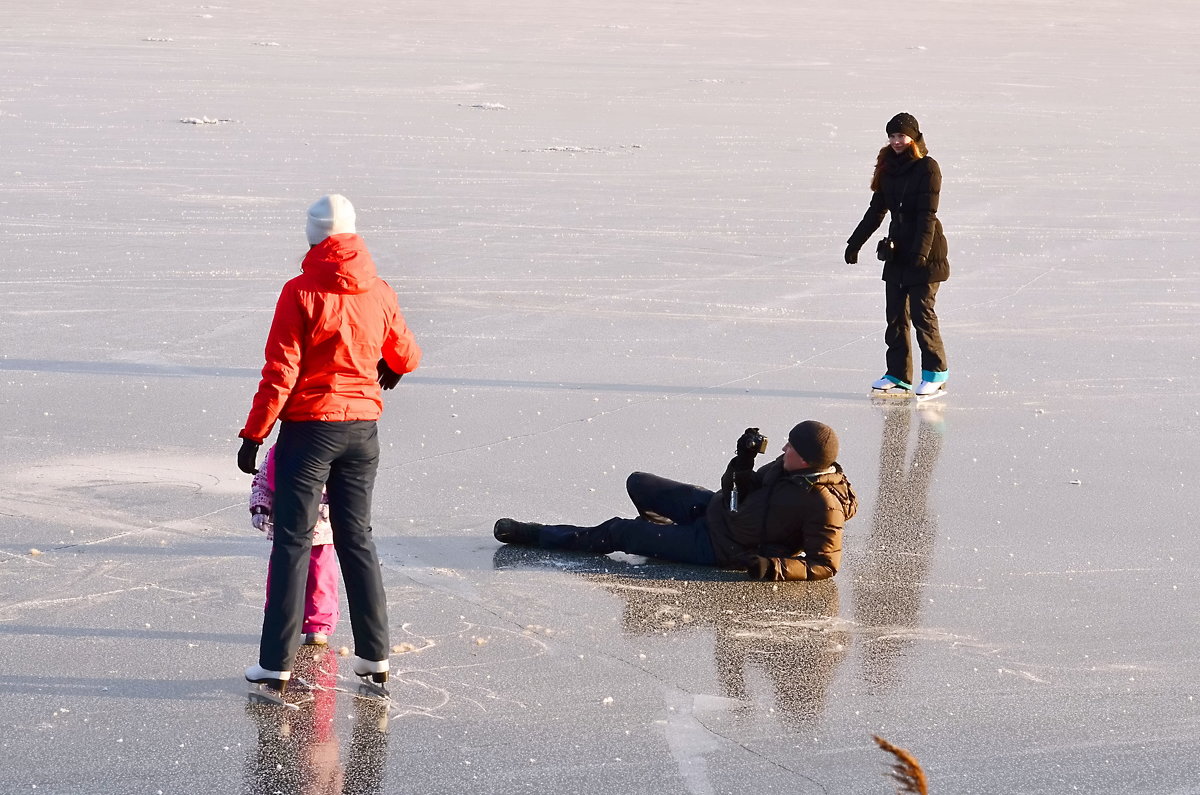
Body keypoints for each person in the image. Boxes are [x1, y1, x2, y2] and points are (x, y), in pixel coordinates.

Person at [238, 194, 422, 695]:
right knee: (356, 538)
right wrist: (394, 366)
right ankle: (375, 657)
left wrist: (255, 433)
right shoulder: (379, 290)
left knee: (293, 542)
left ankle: (275, 663)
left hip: (309, 431)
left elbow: (281, 371)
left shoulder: (299, 292)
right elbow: (405, 351)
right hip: (362, 432)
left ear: (313, 234)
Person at [494, 421, 857, 581]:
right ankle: (666, 535)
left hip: (720, 546)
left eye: (790, 446)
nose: (782, 448)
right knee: (638, 483)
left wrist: (770, 566)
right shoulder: (785, 467)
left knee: (620, 532)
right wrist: (743, 458)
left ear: (807, 460)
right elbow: (739, 488)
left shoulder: (823, 504)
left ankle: (537, 534)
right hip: (715, 509)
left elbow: (825, 565)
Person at [845, 112, 950, 398]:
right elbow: (876, 211)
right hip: (897, 251)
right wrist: (855, 243)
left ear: (913, 137)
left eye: (901, 136)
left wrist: (920, 253)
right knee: (895, 317)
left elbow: (928, 214)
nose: (896, 141)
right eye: (891, 136)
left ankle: (936, 375)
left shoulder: (928, 167)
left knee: (921, 314)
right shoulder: (888, 168)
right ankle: (898, 375)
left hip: (926, 252)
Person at [250, 444, 339, 647]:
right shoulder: (277, 451)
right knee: (283, 577)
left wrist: (334, 506)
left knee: (319, 577)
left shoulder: (326, 446)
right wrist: (260, 508)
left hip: (320, 529)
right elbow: (262, 482)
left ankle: (317, 626)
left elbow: (343, 484)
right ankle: (281, 621)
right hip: (286, 527)